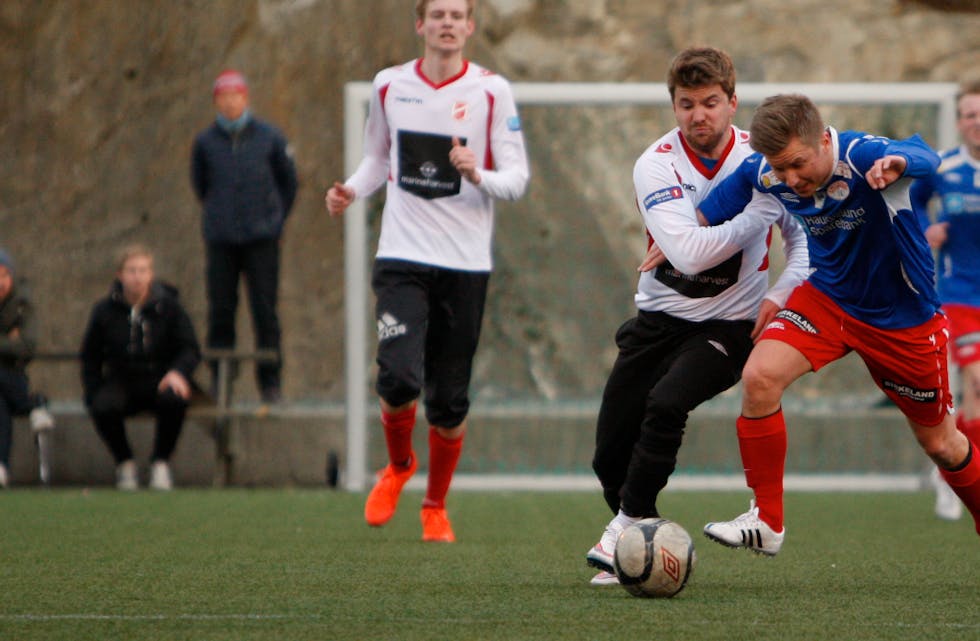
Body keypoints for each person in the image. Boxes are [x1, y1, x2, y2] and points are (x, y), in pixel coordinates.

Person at [698, 94, 980, 554]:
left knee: (942, 442)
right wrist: (672, 241)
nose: (790, 179)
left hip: (902, 321)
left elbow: (925, 156)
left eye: (798, 164)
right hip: (828, 300)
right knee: (760, 377)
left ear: (820, 139)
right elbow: (715, 205)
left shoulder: (860, 155)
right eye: (779, 167)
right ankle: (767, 522)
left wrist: (898, 160)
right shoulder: (767, 170)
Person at [584, 48, 809, 585]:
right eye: (687, 105)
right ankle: (644, 535)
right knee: (609, 455)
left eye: (711, 102)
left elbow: (804, 245)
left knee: (667, 402)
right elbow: (687, 254)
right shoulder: (656, 163)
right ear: (674, 107)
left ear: (733, 103)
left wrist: (779, 293)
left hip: (731, 326)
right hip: (659, 319)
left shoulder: (765, 158)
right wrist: (755, 212)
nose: (699, 115)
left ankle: (625, 531)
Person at [325, 0, 529, 542]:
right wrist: (351, 188)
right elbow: (376, 158)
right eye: (436, 13)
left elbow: (517, 179)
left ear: (469, 27)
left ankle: (435, 505)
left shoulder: (491, 91)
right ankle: (396, 468)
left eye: (456, 15)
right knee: (396, 377)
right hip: (402, 256)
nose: (445, 22)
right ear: (420, 24)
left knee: (448, 402)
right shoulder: (390, 85)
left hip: (465, 265)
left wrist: (477, 173)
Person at [191, 69, 298, 403]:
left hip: (261, 239)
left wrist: (274, 221)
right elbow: (201, 185)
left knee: (265, 311)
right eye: (223, 96)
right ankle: (221, 380)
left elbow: (289, 183)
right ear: (216, 101)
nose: (230, 102)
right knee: (220, 311)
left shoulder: (270, 137)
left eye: (236, 95)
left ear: (245, 97)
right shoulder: (205, 143)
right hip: (221, 240)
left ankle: (270, 382)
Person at [912, 80, 980, 521]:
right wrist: (923, 231)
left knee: (975, 399)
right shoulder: (944, 167)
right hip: (958, 294)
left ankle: (954, 473)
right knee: (976, 380)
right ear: (959, 123)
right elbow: (912, 203)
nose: (976, 123)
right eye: (969, 115)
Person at [80, 244, 201, 490]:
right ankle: (124, 463)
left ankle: (161, 462)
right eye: (132, 270)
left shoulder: (169, 307)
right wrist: (93, 388)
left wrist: (178, 373)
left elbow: (190, 348)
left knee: (174, 398)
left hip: (160, 377)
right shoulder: (104, 311)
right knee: (101, 404)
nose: (137, 277)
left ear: (151, 274)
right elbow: (90, 355)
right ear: (120, 274)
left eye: (143, 270)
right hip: (122, 380)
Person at [0, 249, 54, 488]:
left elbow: (27, 347)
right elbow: (14, 347)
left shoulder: (23, 305)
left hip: (13, 376)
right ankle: (33, 405)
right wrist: (8, 342)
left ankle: (1, 465)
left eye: (3, 275)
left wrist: (14, 345)